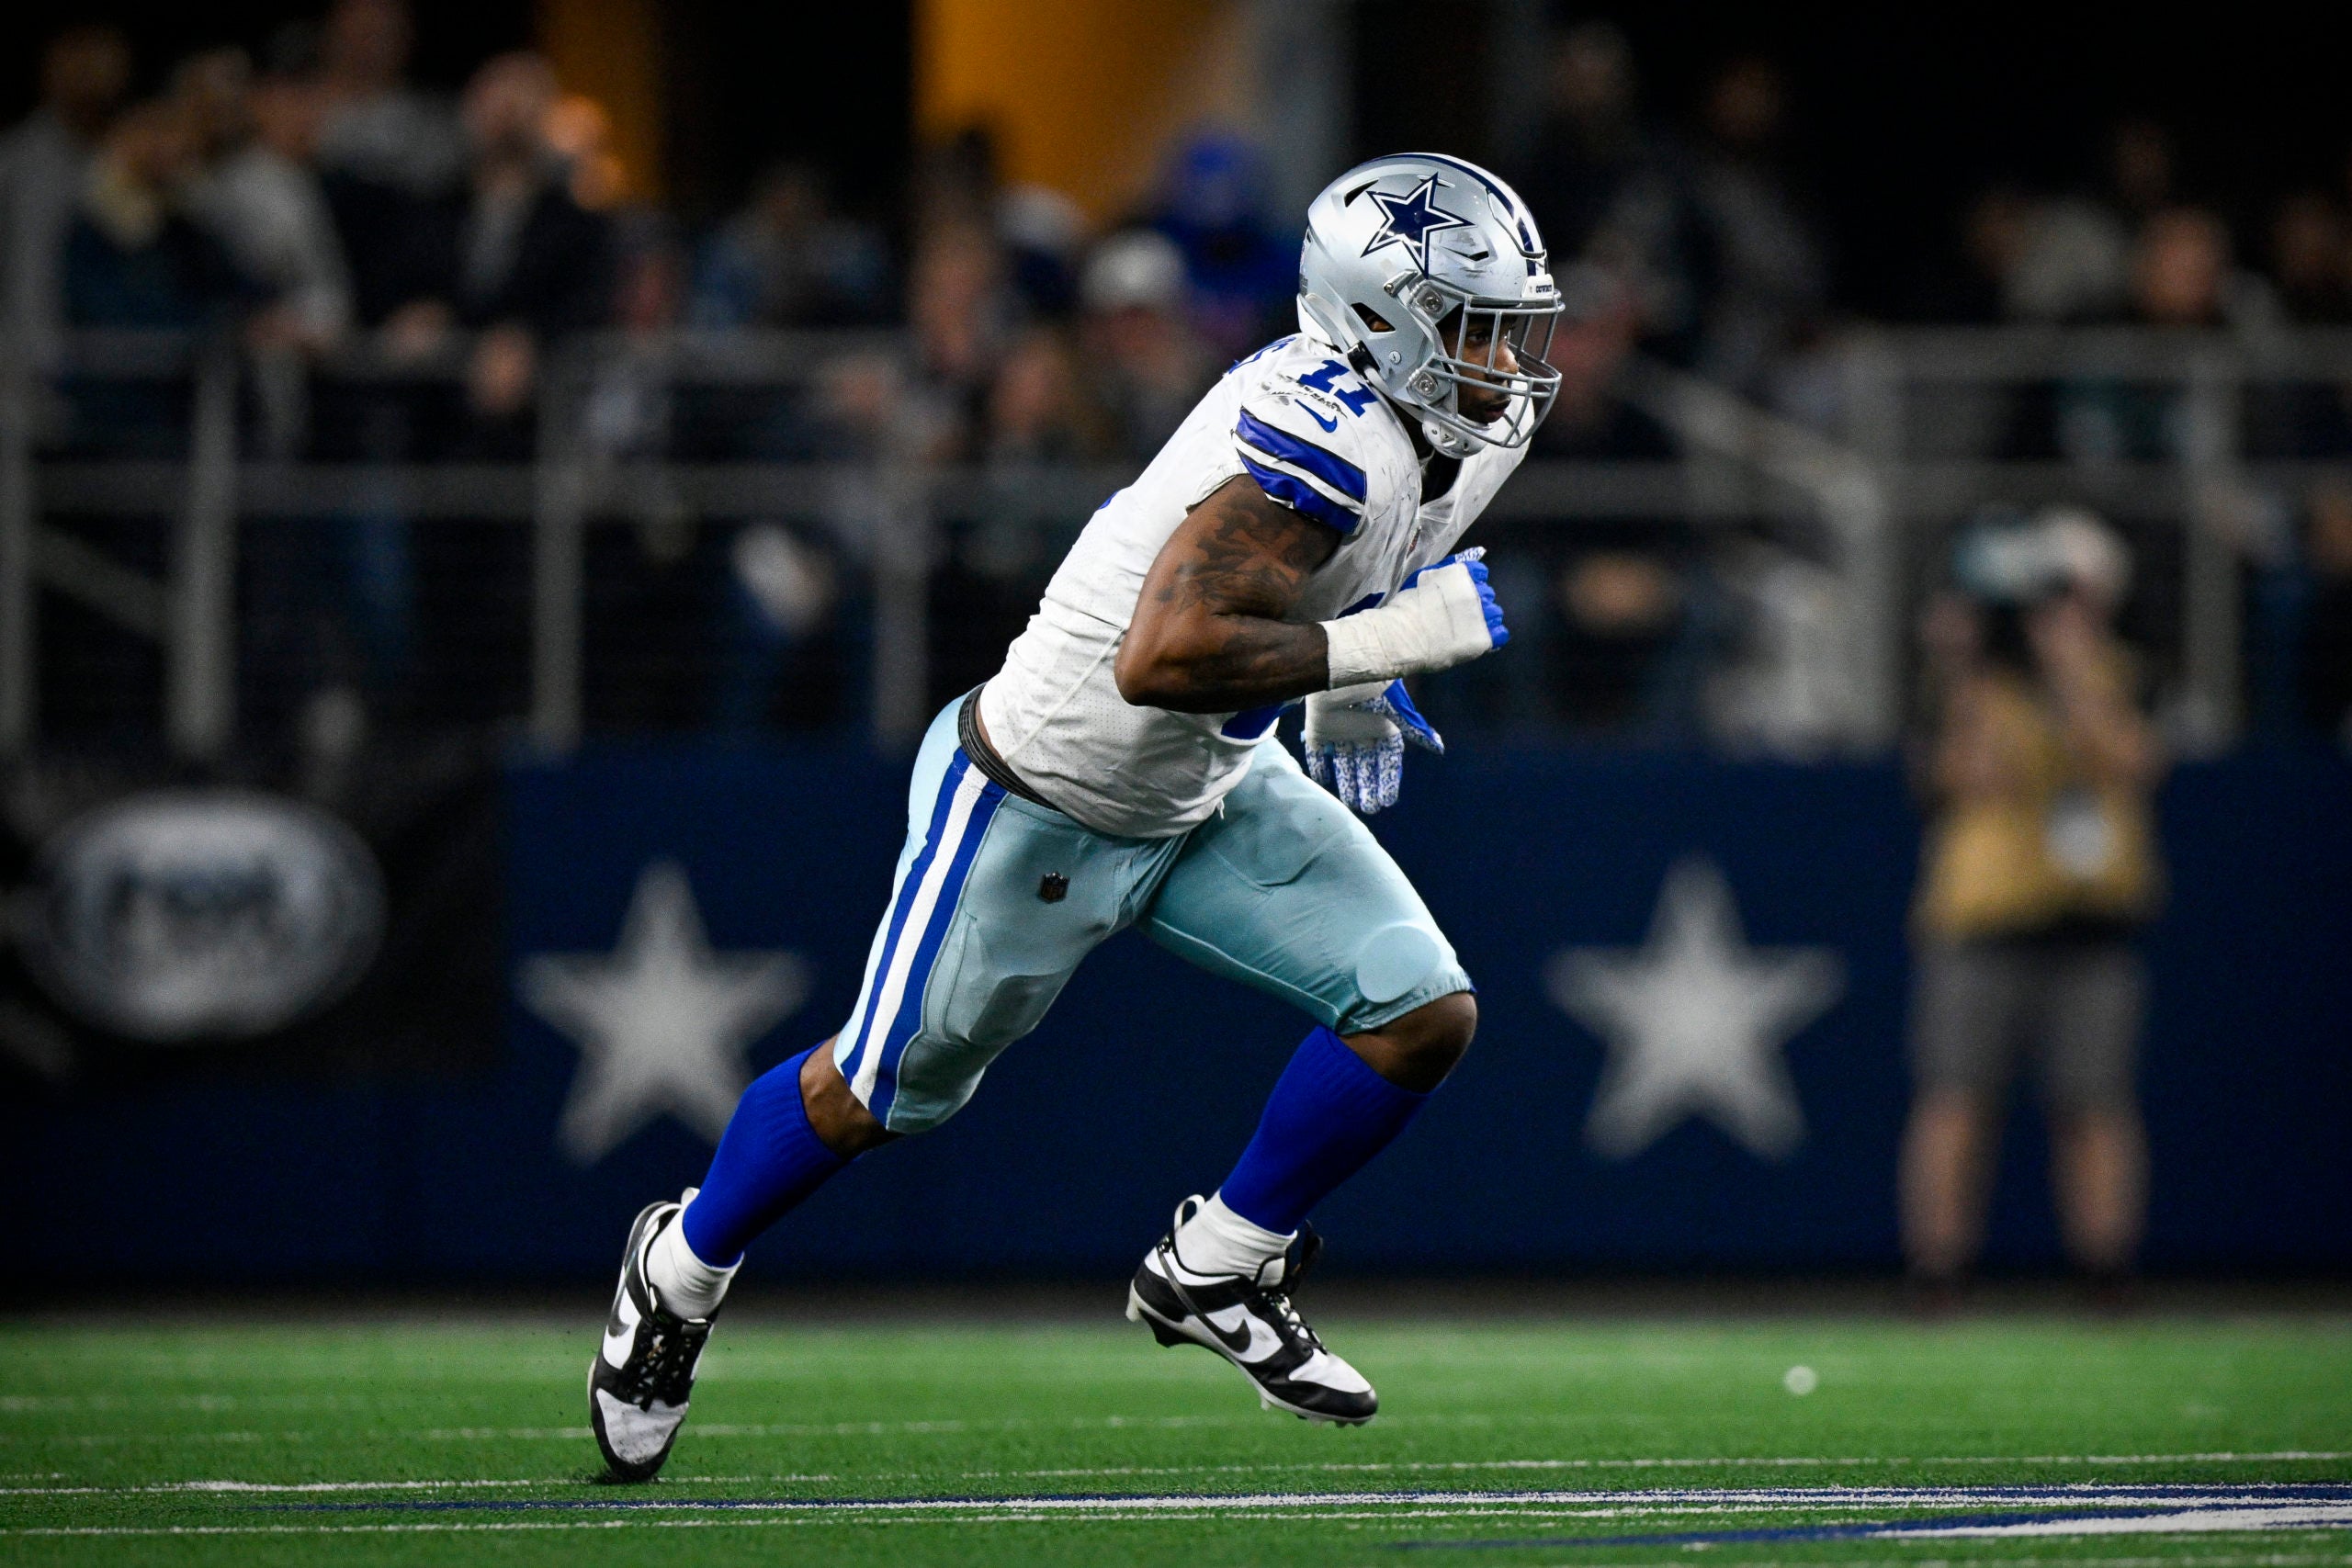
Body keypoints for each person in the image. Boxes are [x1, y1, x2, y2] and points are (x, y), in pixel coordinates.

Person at [586, 152, 1564, 1480]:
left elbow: (1375, 556)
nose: (1505, 360)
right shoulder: (1325, 434)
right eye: (1472, 325)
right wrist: (1375, 642)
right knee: (876, 1089)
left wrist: (1358, 670)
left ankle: (1219, 1264)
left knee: (1419, 1009)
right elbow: (1157, 655)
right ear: (1381, 318)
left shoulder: (1466, 425)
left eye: (1513, 324)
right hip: (1047, 790)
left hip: (1212, 776)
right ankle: (681, 1266)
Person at [1901, 508, 2165, 1308]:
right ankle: (1938, 1274)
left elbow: (2131, 760)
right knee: (1955, 1098)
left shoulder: (2123, 671)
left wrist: (2074, 670)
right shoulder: (1975, 680)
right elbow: (1961, 776)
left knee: (2095, 1102)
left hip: (2092, 918)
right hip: (1984, 916)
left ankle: (2105, 1270)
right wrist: (1961, 668)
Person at [0, 26, 130, 368]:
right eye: (77, 64)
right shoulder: (15, 161)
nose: (88, 77)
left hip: (117, 366)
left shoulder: (131, 156)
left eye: (99, 63)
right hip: (24, 365)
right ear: (49, 73)